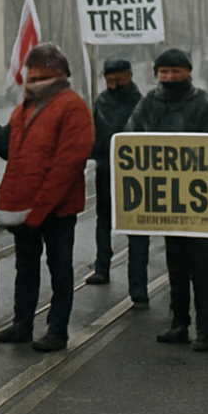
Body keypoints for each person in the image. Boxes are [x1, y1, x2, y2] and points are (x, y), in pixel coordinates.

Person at [0, 43, 94, 352]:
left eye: (44, 75)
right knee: (25, 268)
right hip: (24, 206)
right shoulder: (24, 109)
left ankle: (57, 329)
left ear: (60, 76)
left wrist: (39, 209)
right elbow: (9, 149)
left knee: (60, 268)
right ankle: (22, 323)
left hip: (56, 208)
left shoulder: (73, 107)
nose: (36, 80)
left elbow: (67, 166)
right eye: (33, 74)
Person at [126, 47, 208, 351]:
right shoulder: (149, 102)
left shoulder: (205, 104)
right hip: (166, 199)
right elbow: (132, 136)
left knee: (200, 266)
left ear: (188, 72)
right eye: (163, 72)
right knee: (176, 266)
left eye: (174, 72)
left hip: (196, 200)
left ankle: (205, 329)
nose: (168, 77)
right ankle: (179, 322)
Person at [84, 57, 147, 305]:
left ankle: (138, 284)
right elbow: (93, 132)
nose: (112, 84)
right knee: (104, 220)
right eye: (108, 80)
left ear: (128, 76)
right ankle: (102, 267)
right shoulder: (101, 101)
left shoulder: (141, 103)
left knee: (137, 227)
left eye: (116, 79)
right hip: (106, 170)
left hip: (135, 173)